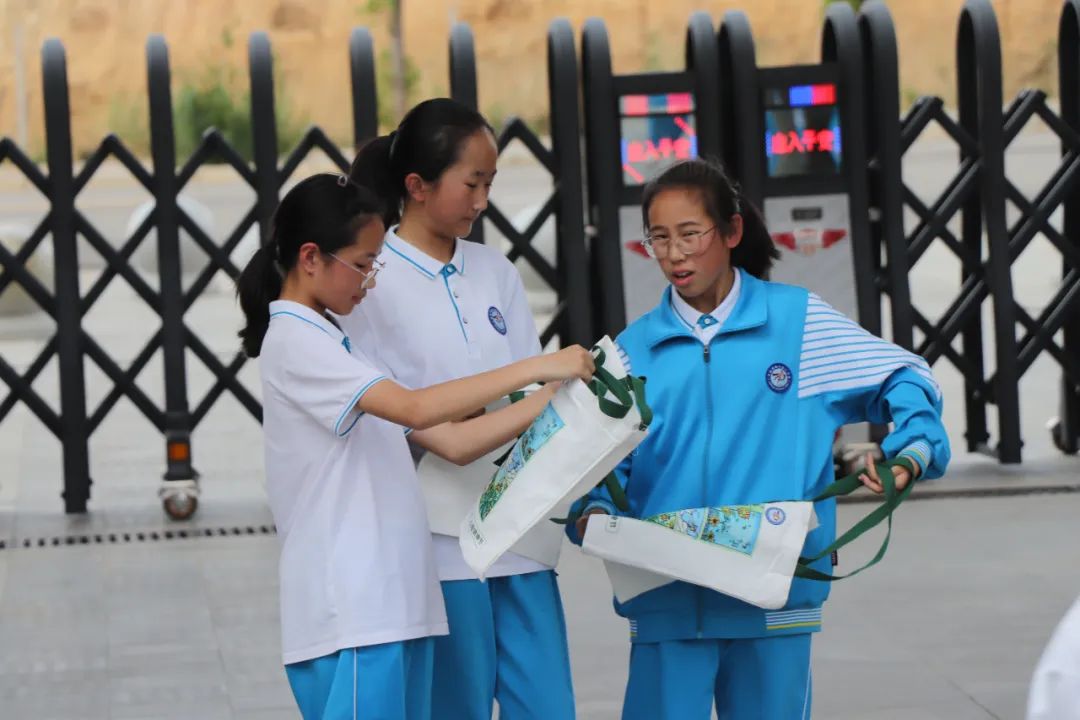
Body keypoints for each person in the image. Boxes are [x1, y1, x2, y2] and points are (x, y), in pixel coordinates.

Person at [569, 158, 951, 719]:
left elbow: (906, 375)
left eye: (690, 234)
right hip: (666, 603)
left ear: (731, 231)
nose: (674, 254)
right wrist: (595, 510)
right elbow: (604, 468)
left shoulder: (798, 325)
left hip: (775, 600)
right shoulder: (630, 352)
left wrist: (911, 452)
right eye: (659, 238)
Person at [235, 173, 594, 719]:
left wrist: (553, 398)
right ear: (310, 258)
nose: (371, 281)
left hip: (393, 605)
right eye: (364, 263)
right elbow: (418, 408)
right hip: (353, 612)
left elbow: (452, 440)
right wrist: (536, 367)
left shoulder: (338, 342)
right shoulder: (296, 340)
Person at [342, 97, 577, 719]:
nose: (482, 200)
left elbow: (531, 394)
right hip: (441, 549)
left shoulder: (495, 272)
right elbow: (425, 426)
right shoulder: (372, 284)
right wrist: (542, 395)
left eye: (490, 184)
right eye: (472, 183)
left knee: (548, 707)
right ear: (417, 186)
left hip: (523, 538)